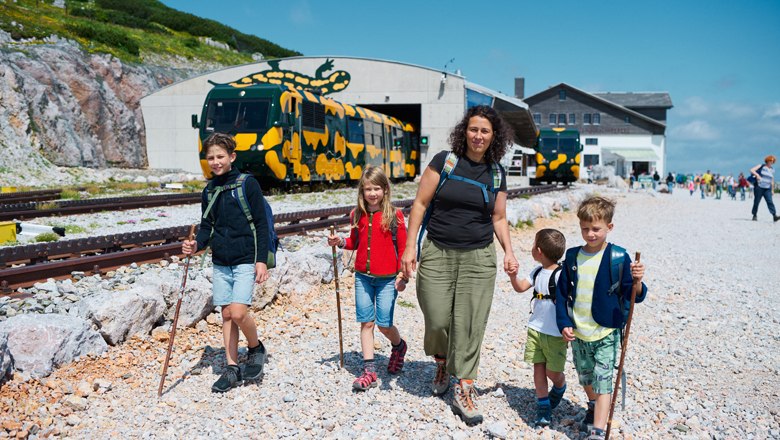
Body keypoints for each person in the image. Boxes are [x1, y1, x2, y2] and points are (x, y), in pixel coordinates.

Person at [400, 105, 518, 426]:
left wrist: (509, 250)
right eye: (473, 129)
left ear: (494, 137)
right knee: (437, 317)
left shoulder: (496, 172)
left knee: (469, 322)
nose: (478, 136)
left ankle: (464, 386)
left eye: (485, 131)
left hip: (479, 256)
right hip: (437, 249)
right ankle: (442, 360)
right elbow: (420, 204)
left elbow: (499, 216)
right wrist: (410, 247)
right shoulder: (444, 161)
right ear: (464, 131)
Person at [182, 132, 270, 393]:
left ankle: (255, 348)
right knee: (227, 315)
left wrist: (261, 261)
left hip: (245, 258)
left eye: (220, 156)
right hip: (221, 260)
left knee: (239, 312)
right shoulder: (209, 190)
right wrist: (196, 245)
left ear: (232, 157)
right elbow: (207, 227)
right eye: (211, 157)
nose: (216, 161)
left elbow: (262, 224)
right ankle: (232, 368)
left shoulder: (247, 184)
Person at [555, 196, 647, 440]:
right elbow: (562, 293)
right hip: (579, 331)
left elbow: (634, 294)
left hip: (606, 331)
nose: (590, 234)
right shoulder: (573, 257)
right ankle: (594, 404)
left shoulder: (618, 257)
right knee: (585, 376)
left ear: (609, 227)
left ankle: (597, 431)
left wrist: (637, 280)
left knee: (603, 381)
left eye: (596, 229)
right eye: (585, 228)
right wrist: (564, 323)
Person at [327, 166, 409, 390]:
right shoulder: (357, 214)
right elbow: (355, 241)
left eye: (376, 189)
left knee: (384, 324)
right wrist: (341, 242)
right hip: (363, 277)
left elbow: (404, 250)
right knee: (367, 322)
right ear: (361, 192)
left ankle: (399, 345)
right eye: (367, 189)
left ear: (385, 189)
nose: (372, 193)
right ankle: (369, 371)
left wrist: (404, 276)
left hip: (387, 279)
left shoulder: (396, 216)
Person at [507, 228, 568, 428]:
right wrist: (513, 276)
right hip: (535, 329)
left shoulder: (561, 276)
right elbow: (520, 287)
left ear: (539, 251)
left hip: (555, 334)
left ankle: (560, 386)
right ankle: (543, 406)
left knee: (553, 372)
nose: (532, 249)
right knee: (538, 368)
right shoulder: (536, 272)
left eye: (533, 245)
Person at [749, 155, 778, 222]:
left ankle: (774, 215)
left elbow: (772, 180)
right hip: (759, 187)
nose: (771, 162)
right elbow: (751, 170)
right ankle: (754, 215)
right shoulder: (761, 166)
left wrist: (772, 190)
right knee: (756, 202)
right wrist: (757, 175)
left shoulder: (772, 169)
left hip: (767, 188)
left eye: (773, 161)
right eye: (770, 160)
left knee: (770, 201)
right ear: (767, 160)